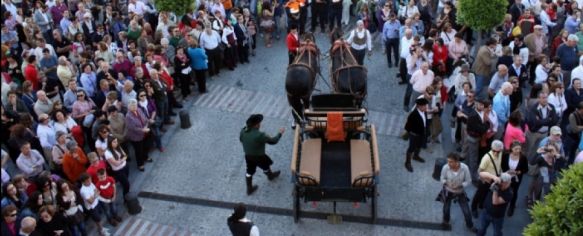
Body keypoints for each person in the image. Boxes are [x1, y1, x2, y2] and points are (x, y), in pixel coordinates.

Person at [239, 114, 284, 195]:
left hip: (248, 156)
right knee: (265, 166)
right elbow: (273, 141)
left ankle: (249, 189)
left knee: (249, 171)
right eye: (259, 123)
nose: (260, 124)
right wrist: (279, 134)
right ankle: (270, 176)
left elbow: (241, 139)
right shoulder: (259, 135)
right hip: (259, 156)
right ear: (256, 125)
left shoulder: (243, 130)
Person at [439, 152, 477, 232]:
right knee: (446, 209)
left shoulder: (465, 168)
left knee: (466, 211)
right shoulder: (445, 167)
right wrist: (446, 183)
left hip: (460, 192)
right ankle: (446, 221)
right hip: (448, 191)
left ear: (457, 162)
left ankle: (470, 225)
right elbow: (442, 178)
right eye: (448, 161)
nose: (448, 163)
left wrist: (460, 185)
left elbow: (469, 181)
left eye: (450, 162)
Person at [472, 140, 504, 218]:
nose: (496, 153)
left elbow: (499, 166)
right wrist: (483, 180)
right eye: (494, 151)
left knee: (486, 194)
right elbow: (479, 170)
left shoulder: (500, 154)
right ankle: (473, 208)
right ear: (491, 148)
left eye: (498, 151)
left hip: (494, 180)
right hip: (485, 180)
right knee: (479, 194)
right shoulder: (486, 158)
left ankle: (481, 205)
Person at [501, 141, 528, 217]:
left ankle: (512, 206)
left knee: (514, 192)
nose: (518, 151)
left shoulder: (523, 158)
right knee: (504, 189)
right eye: (516, 149)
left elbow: (526, 169)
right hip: (506, 177)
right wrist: (507, 172)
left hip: (516, 178)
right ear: (511, 149)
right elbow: (502, 165)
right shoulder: (506, 155)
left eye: (519, 149)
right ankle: (503, 203)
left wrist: (518, 172)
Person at [404, 97, 429, 172]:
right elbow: (408, 126)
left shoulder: (424, 112)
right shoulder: (413, 114)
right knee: (411, 148)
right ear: (419, 106)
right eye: (425, 106)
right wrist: (411, 133)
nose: (426, 107)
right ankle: (407, 163)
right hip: (414, 135)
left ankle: (416, 156)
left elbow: (425, 121)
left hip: (422, 133)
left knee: (419, 146)